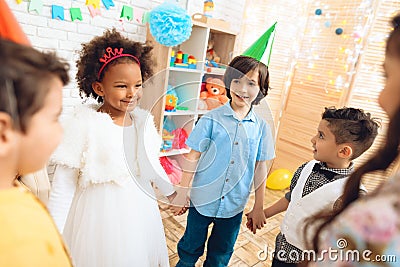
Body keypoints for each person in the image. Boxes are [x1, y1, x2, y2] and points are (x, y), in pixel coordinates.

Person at [47, 29, 176, 267]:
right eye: (121, 86)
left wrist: (171, 192)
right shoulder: (84, 126)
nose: (132, 93)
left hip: (139, 211)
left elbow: (152, 164)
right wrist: (51, 234)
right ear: (99, 88)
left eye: (138, 85)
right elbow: (63, 186)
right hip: (98, 217)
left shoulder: (143, 122)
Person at [305, 15, 400, 267]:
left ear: (345, 150)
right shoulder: (306, 169)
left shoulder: (372, 215)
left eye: (388, 77)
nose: (381, 98)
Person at [171, 55, 275, 267]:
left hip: (234, 206)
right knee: (190, 247)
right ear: (228, 82)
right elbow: (193, 155)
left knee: (221, 254)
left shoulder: (262, 127)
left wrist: (259, 206)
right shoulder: (210, 119)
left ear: (261, 90)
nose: (242, 89)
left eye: (251, 83)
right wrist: (182, 192)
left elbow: (260, 165)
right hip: (202, 200)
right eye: (237, 81)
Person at [252, 107, 380, 267]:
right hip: (282, 249)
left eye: (321, 136)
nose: (313, 139)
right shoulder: (307, 167)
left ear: (344, 151)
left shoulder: (353, 194)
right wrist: (264, 213)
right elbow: (294, 197)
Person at [0, 38, 72, 266]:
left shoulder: (14, 190)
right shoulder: (19, 239)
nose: (61, 131)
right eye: (54, 118)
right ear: (3, 133)